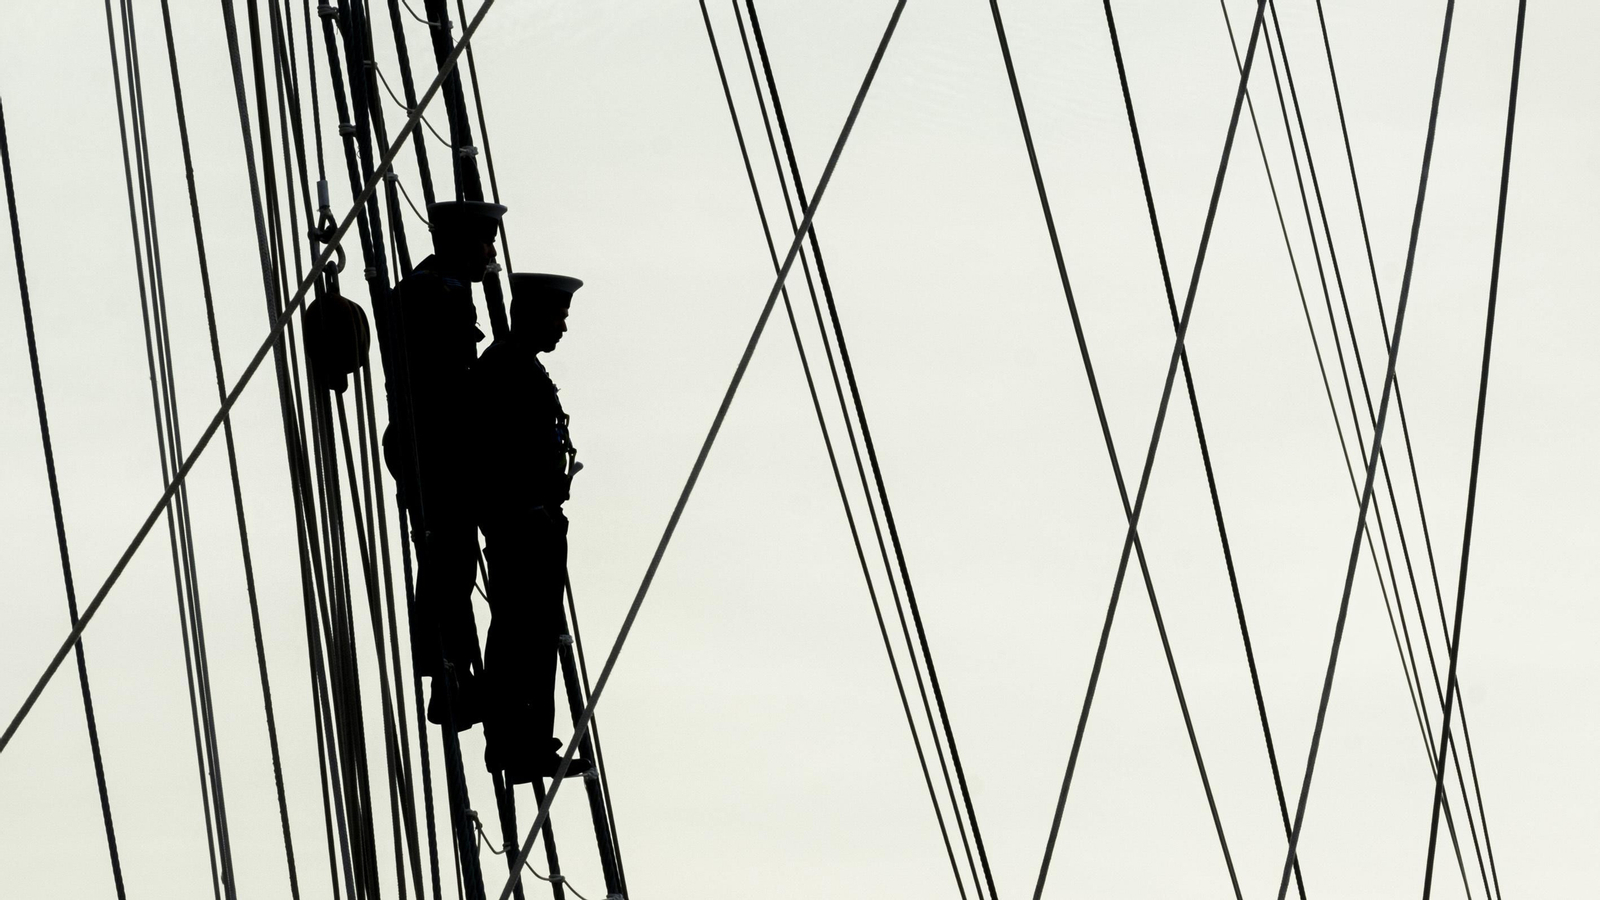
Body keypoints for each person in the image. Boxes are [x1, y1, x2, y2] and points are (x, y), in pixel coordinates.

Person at [382, 199, 503, 728]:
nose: (489, 253)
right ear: (457, 243)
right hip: (434, 446)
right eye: (483, 242)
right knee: (448, 559)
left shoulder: (431, 289)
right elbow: (449, 381)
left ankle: (447, 673)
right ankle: (445, 673)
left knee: (449, 559)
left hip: (432, 444)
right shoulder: (439, 294)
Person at [472, 272, 594, 782]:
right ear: (528, 314)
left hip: (537, 523)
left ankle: (527, 743)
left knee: (534, 634)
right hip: (522, 525)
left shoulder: (523, 368)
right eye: (556, 316)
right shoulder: (505, 369)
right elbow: (488, 451)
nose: (562, 327)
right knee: (521, 634)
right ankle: (517, 745)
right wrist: (525, 508)